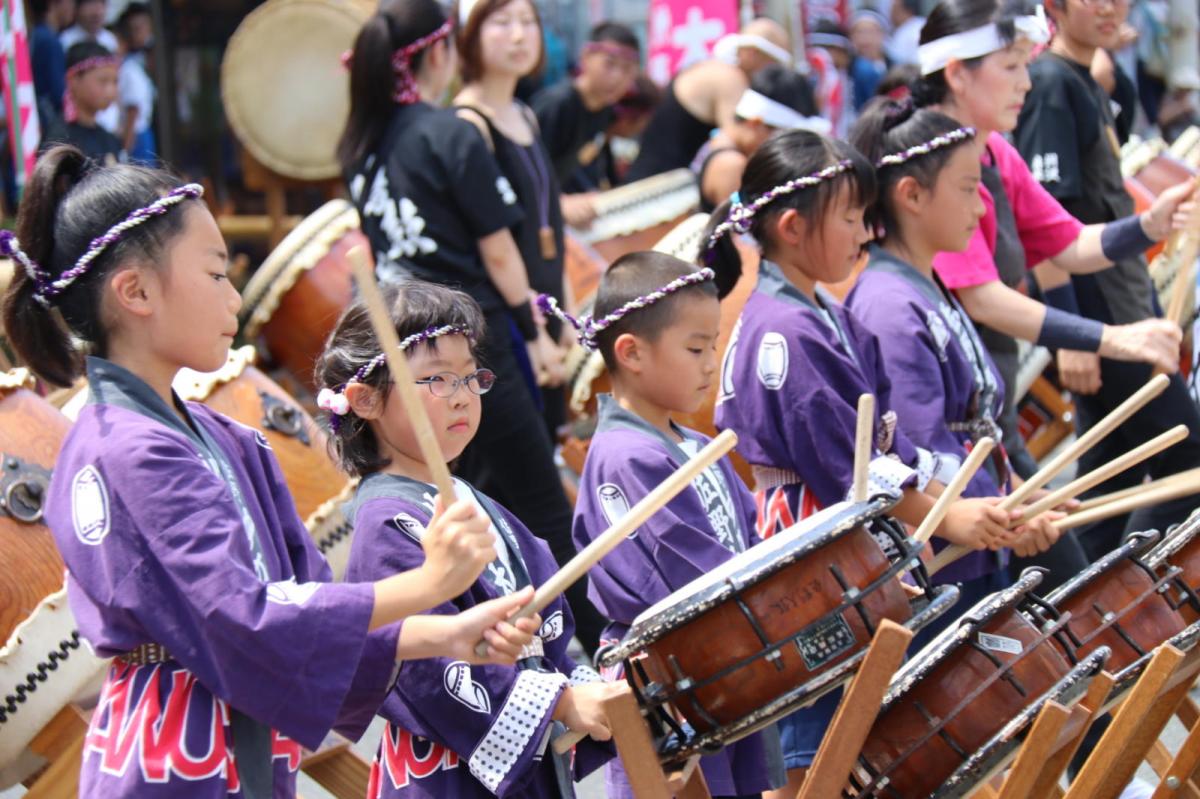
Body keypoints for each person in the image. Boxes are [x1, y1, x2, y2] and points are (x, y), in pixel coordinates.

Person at [1, 145, 539, 797]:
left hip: (230, 741)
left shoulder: (226, 439)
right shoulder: (126, 447)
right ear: (136, 291)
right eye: (216, 273)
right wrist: (427, 584)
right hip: (172, 760)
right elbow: (241, 616)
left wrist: (443, 635)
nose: (234, 297)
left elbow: (305, 596)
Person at [701, 129, 1034, 798]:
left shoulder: (817, 309)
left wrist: (954, 503)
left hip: (844, 544)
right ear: (793, 226)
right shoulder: (783, 330)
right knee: (820, 758)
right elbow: (846, 472)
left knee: (858, 743)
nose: (865, 227)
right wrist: (953, 515)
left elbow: (883, 450)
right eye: (850, 215)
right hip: (809, 558)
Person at [338, 0, 606, 655]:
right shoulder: (449, 133)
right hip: (468, 341)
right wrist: (537, 328)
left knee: (466, 492)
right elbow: (498, 251)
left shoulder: (363, 146)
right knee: (538, 495)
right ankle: (603, 651)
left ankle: (484, 635)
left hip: (406, 348)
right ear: (441, 53)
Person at [317, 280, 617, 797]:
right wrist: (563, 703)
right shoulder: (387, 520)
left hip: (520, 755)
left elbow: (543, 623)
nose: (460, 396)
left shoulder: (469, 499)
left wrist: (589, 686)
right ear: (364, 400)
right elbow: (426, 666)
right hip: (449, 774)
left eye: (467, 377)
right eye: (436, 380)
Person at [911, 0, 1195, 488]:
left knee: (1101, 502)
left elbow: (1068, 241)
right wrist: (1108, 337)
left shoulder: (994, 149)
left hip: (986, 402)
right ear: (958, 74)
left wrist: (1152, 223)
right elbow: (981, 297)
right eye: (1012, 66)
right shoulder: (930, 164)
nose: (1026, 80)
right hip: (941, 421)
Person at [544, 253, 786, 798]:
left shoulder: (700, 446)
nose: (710, 362)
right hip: (671, 680)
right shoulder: (623, 456)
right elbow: (686, 579)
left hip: (720, 660)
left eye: (713, 345)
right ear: (630, 353)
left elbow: (751, 539)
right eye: (696, 348)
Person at [848, 102, 1071, 598]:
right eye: (970, 189)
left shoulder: (922, 287)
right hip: (946, 558)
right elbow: (921, 452)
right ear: (911, 195)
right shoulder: (889, 305)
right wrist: (1002, 512)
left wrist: (1021, 496)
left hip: (975, 535)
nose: (980, 208)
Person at [1012, 0, 1200, 561]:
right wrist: (1076, 335)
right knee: (1188, 466)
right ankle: (1129, 602)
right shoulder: (1049, 84)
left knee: (1109, 479)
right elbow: (1045, 223)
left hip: (1124, 308)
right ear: (1054, 7)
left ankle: (1074, 609)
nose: (1111, 6)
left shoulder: (1087, 78)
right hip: (1104, 320)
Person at [625, 17, 792, 182]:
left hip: (661, 179)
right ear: (752, 53)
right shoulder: (729, 78)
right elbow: (739, 140)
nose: (775, 71)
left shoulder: (717, 70)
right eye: (774, 62)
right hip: (656, 186)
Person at [532, 22, 640, 228]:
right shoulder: (556, 105)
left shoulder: (605, 110)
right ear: (586, 57)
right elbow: (522, 170)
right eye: (609, 64)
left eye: (627, 69)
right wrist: (559, 202)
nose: (617, 76)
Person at [692, 63, 823, 212]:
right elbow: (738, 230)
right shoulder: (731, 164)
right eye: (783, 137)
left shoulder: (724, 141)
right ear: (755, 123)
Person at [42, 42, 123, 164]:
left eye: (115, 82)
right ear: (73, 80)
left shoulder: (109, 139)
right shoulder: (59, 141)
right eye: (103, 81)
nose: (111, 91)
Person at [59, 0, 120, 132]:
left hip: (108, 121)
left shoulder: (110, 40)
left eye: (101, 5)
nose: (96, 12)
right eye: (90, 4)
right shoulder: (65, 40)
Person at [115, 2, 156, 163]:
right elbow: (133, 112)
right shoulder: (129, 68)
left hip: (144, 133)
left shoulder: (142, 61)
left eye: (144, 26)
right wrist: (125, 149)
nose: (141, 33)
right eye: (135, 28)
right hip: (137, 136)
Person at [30, 0, 74, 125]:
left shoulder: (37, 33)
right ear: (52, 3)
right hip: (44, 120)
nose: (73, 6)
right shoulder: (49, 40)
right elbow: (59, 93)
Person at [850, 9, 892, 109]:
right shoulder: (848, 68)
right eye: (859, 32)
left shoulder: (895, 66)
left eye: (870, 32)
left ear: (882, 34)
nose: (864, 38)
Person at [887, 0, 927, 65]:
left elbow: (896, 60)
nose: (890, 13)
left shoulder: (905, 31)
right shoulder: (924, 22)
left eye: (894, 9)